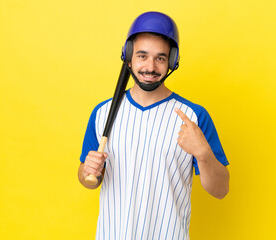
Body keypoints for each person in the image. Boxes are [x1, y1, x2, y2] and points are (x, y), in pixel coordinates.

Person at [78, 11, 229, 240]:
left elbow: (220, 190)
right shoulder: (102, 113)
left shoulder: (194, 117)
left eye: (160, 58)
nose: (150, 67)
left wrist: (203, 153)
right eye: (142, 56)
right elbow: (87, 179)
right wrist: (88, 171)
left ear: (172, 61)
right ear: (129, 57)